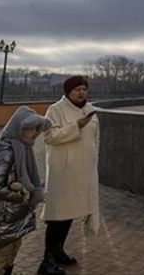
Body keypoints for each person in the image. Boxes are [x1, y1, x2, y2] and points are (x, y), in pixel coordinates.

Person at [38, 76, 100, 274]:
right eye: (77, 89)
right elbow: (49, 137)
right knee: (58, 216)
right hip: (63, 172)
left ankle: (58, 252)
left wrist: (94, 160)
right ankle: (46, 262)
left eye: (84, 88)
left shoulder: (90, 109)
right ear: (67, 92)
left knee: (70, 214)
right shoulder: (55, 110)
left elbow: (95, 139)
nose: (81, 92)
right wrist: (76, 126)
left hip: (83, 171)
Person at [0, 106, 51, 275]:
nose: (35, 133)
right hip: (3, 215)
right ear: (18, 128)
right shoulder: (7, 152)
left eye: (37, 129)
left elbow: (18, 178)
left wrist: (33, 187)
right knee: (2, 257)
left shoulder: (22, 149)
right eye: (30, 129)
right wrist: (20, 196)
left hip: (13, 214)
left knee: (12, 252)